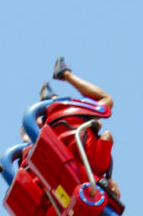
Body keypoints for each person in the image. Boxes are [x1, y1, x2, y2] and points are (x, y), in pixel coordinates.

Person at [44, 61, 121, 201]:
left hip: (69, 119)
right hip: (56, 127)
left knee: (107, 100)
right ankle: (50, 99)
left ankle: (65, 75)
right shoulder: (84, 174)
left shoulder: (99, 167)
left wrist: (109, 177)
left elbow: (107, 136)